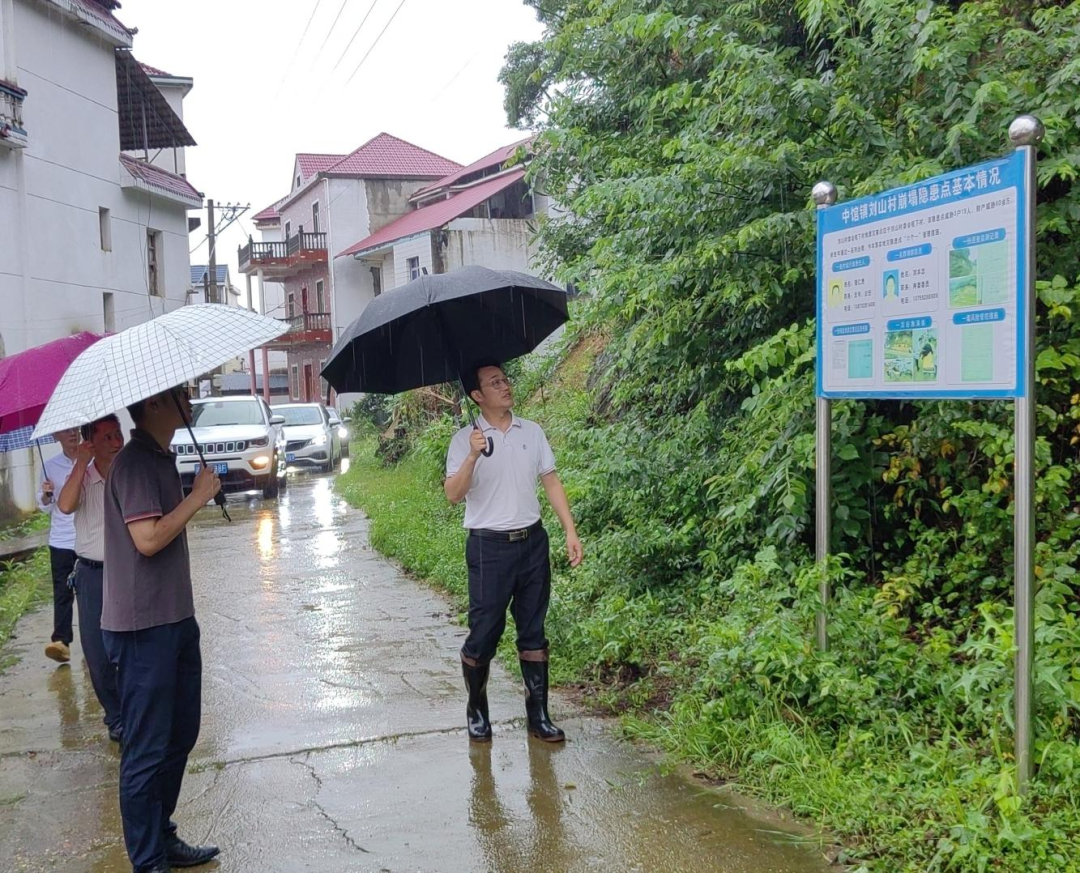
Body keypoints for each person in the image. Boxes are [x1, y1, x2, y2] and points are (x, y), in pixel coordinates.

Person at [101, 387, 222, 873]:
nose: (188, 402)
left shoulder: (160, 458)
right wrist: (196, 498)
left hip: (174, 618)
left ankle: (162, 834)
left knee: (180, 735)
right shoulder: (133, 464)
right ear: (153, 404)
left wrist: (193, 494)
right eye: (180, 396)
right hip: (140, 628)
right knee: (147, 749)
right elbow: (147, 539)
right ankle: (148, 861)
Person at [445, 362, 583, 744]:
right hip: (489, 547)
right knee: (485, 631)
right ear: (477, 396)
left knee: (534, 630)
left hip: (532, 543)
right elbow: (453, 495)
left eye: (505, 379)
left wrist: (570, 531)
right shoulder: (463, 441)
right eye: (494, 383)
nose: (505, 386)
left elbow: (551, 482)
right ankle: (477, 708)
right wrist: (473, 456)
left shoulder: (532, 432)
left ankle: (538, 715)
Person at [56, 415, 125, 744]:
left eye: (118, 434)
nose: (116, 442)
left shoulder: (129, 473)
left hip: (129, 570)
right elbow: (66, 505)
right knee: (97, 653)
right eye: (107, 437)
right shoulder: (82, 477)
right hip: (92, 574)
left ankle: (137, 712)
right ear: (91, 443)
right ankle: (116, 717)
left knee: (131, 648)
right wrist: (80, 464)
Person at [38, 427, 80, 663]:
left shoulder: (91, 461)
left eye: (75, 429)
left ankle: (96, 638)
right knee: (62, 593)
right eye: (65, 431)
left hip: (88, 537)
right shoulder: (50, 466)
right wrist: (46, 494)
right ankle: (61, 642)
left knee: (91, 592)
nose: (72, 434)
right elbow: (44, 505)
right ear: (55, 437)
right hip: (61, 540)